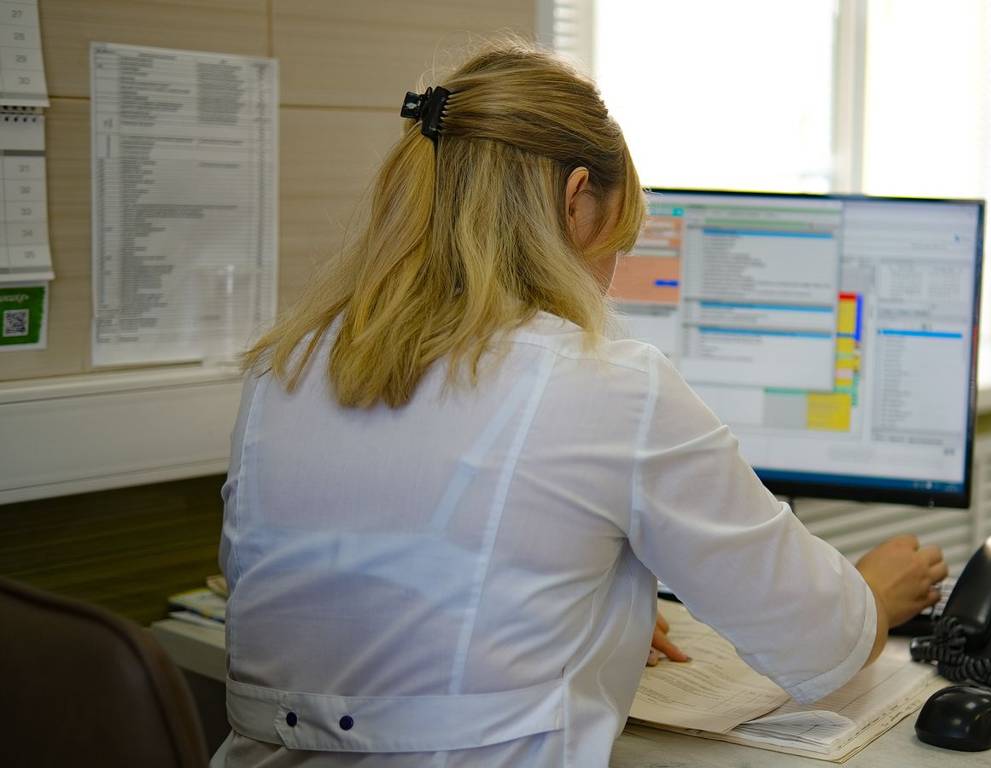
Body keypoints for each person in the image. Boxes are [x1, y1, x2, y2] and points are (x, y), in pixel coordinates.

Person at [214, 40, 947, 768]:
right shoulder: (609, 384)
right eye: (617, 241)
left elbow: (350, 595)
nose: (609, 277)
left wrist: (586, 605)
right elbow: (822, 640)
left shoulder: (286, 366)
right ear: (575, 202)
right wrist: (876, 595)